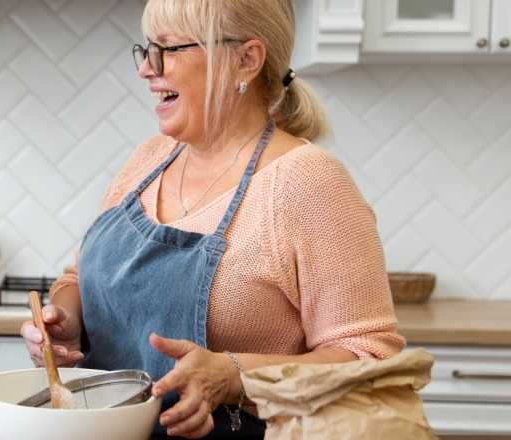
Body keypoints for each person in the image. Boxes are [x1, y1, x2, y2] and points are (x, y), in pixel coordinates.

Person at [20, 0, 405, 438]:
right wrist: (67, 323)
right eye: (147, 49)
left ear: (246, 60)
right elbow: (77, 277)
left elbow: (371, 358)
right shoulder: (149, 160)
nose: (147, 69)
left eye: (168, 48)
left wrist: (233, 375)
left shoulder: (308, 183)